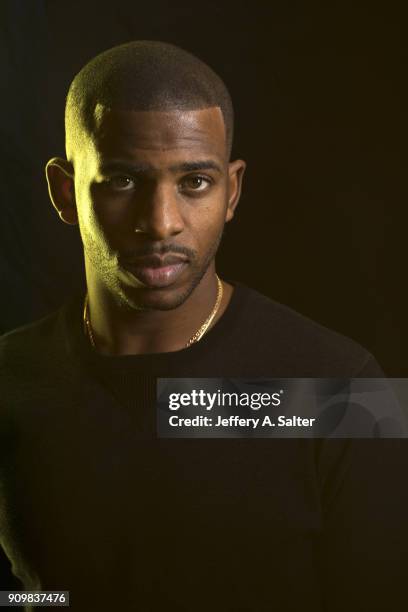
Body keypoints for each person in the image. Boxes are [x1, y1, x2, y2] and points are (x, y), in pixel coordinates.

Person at [0, 41, 406, 611]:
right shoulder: (10, 383)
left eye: (194, 182)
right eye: (121, 180)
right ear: (65, 193)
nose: (161, 223)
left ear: (232, 190)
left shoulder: (348, 391)